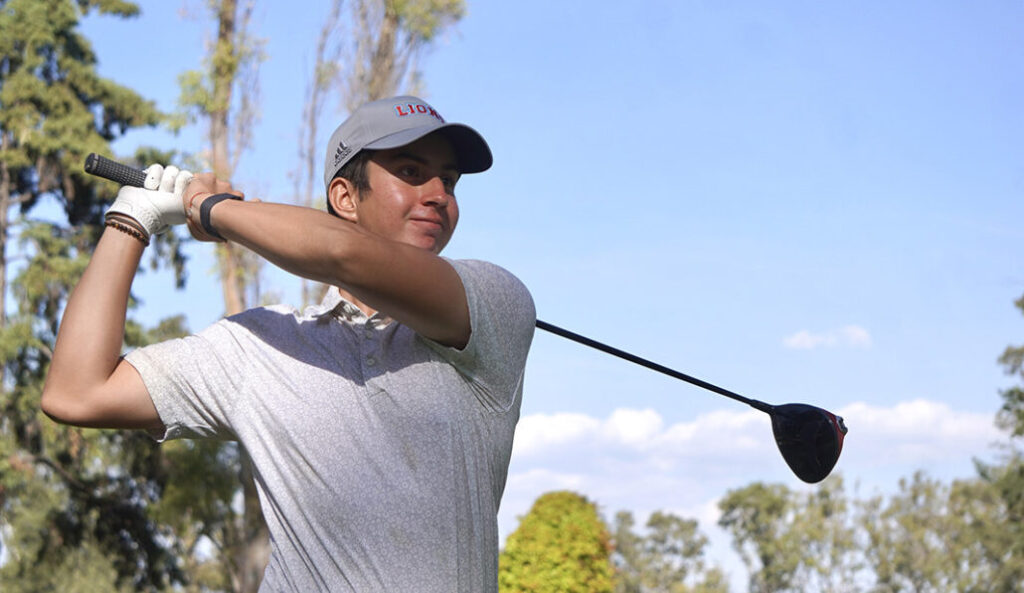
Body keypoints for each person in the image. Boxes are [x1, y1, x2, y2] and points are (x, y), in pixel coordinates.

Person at [41, 95, 536, 592]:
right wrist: (132, 219)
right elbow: (76, 392)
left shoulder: (494, 303)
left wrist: (209, 208)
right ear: (345, 198)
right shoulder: (262, 346)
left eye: (448, 181)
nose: (437, 194)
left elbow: (342, 253)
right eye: (410, 171)